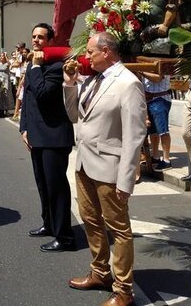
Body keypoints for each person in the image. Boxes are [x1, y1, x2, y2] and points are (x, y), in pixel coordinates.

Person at [63, 32, 146, 306]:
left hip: (110, 168)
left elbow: (134, 136)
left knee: (119, 230)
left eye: (90, 52)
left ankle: (124, 290)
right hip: (85, 162)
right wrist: (70, 84)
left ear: (107, 51)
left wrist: (126, 179)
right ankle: (100, 272)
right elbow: (75, 115)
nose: (86, 57)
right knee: (90, 220)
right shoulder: (92, 80)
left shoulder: (128, 84)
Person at [20, 23, 75, 252]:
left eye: (41, 37)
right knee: (43, 185)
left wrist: (35, 68)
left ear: (50, 42)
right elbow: (28, 100)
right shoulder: (34, 65)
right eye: (33, 36)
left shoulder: (54, 66)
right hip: (36, 135)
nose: (36, 41)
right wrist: (24, 128)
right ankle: (49, 224)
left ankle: (64, 237)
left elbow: (42, 94)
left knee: (56, 187)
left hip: (54, 137)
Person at [141, 72, 172, 170]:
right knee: (153, 132)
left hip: (160, 98)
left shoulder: (162, 64)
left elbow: (158, 78)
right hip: (148, 99)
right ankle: (156, 156)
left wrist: (141, 71)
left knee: (163, 131)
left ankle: (166, 160)